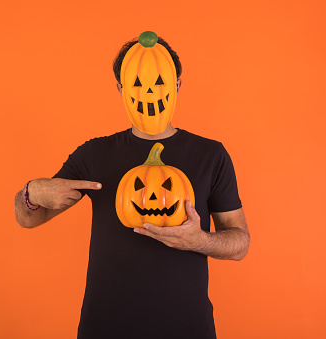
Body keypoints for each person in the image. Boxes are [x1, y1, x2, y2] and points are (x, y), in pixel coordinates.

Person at [14, 31, 250, 339]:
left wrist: (198, 240)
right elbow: (28, 218)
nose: (149, 92)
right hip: (105, 327)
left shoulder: (211, 155)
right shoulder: (94, 154)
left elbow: (240, 243)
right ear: (120, 88)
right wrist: (31, 193)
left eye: (160, 83)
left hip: (187, 327)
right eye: (137, 84)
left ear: (177, 85)